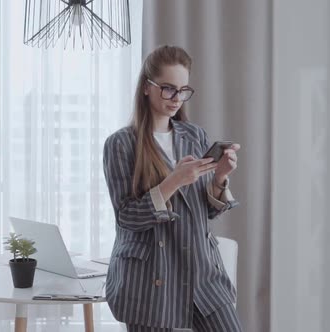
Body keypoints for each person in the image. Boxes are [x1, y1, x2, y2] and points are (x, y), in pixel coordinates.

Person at [102, 45, 243, 331]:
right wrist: (174, 181)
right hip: (151, 277)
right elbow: (126, 217)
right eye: (168, 89)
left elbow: (205, 213)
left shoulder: (194, 135)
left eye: (183, 90)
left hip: (202, 272)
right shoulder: (121, 144)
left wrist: (220, 179)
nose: (177, 98)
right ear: (146, 87)